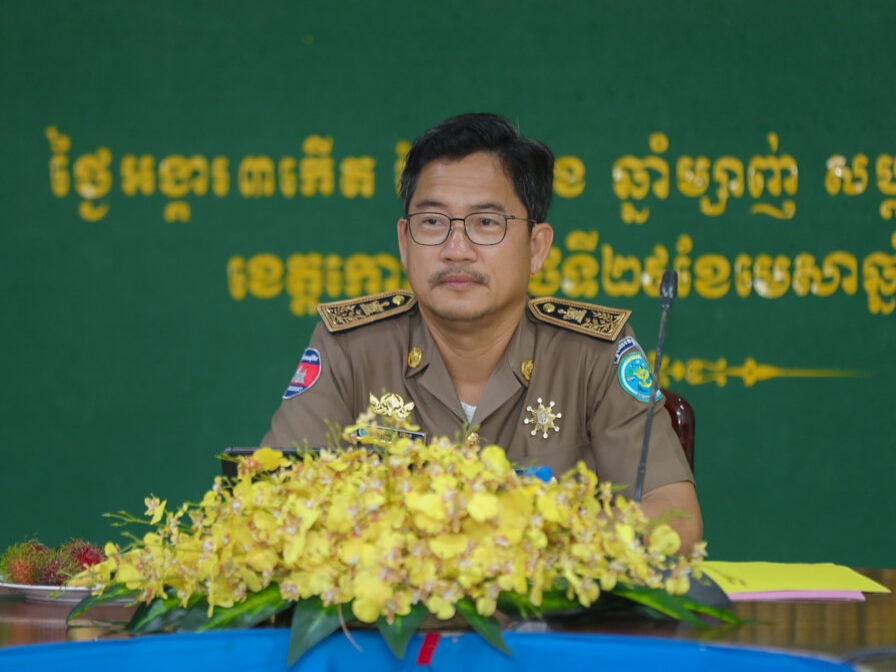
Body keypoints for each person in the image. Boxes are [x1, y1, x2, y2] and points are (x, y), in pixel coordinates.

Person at [261, 113, 702, 552]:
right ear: (404, 242)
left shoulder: (593, 353)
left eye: (486, 223)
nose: (456, 250)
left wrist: (526, 542)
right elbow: (272, 504)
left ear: (537, 247)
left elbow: (675, 517)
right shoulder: (350, 347)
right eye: (433, 222)